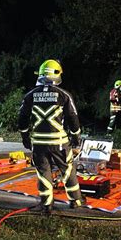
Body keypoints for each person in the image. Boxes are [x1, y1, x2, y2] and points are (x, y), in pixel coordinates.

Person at [18, 59, 84, 213]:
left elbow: (22, 118)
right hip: (59, 142)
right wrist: (76, 137)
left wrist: (25, 137)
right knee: (67, 170)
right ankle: (75, 201)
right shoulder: (64, 95)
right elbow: (73, 118)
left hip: (39, 142)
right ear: (57, 75)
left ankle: (47, 204)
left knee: (43, 172)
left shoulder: (30, 95)